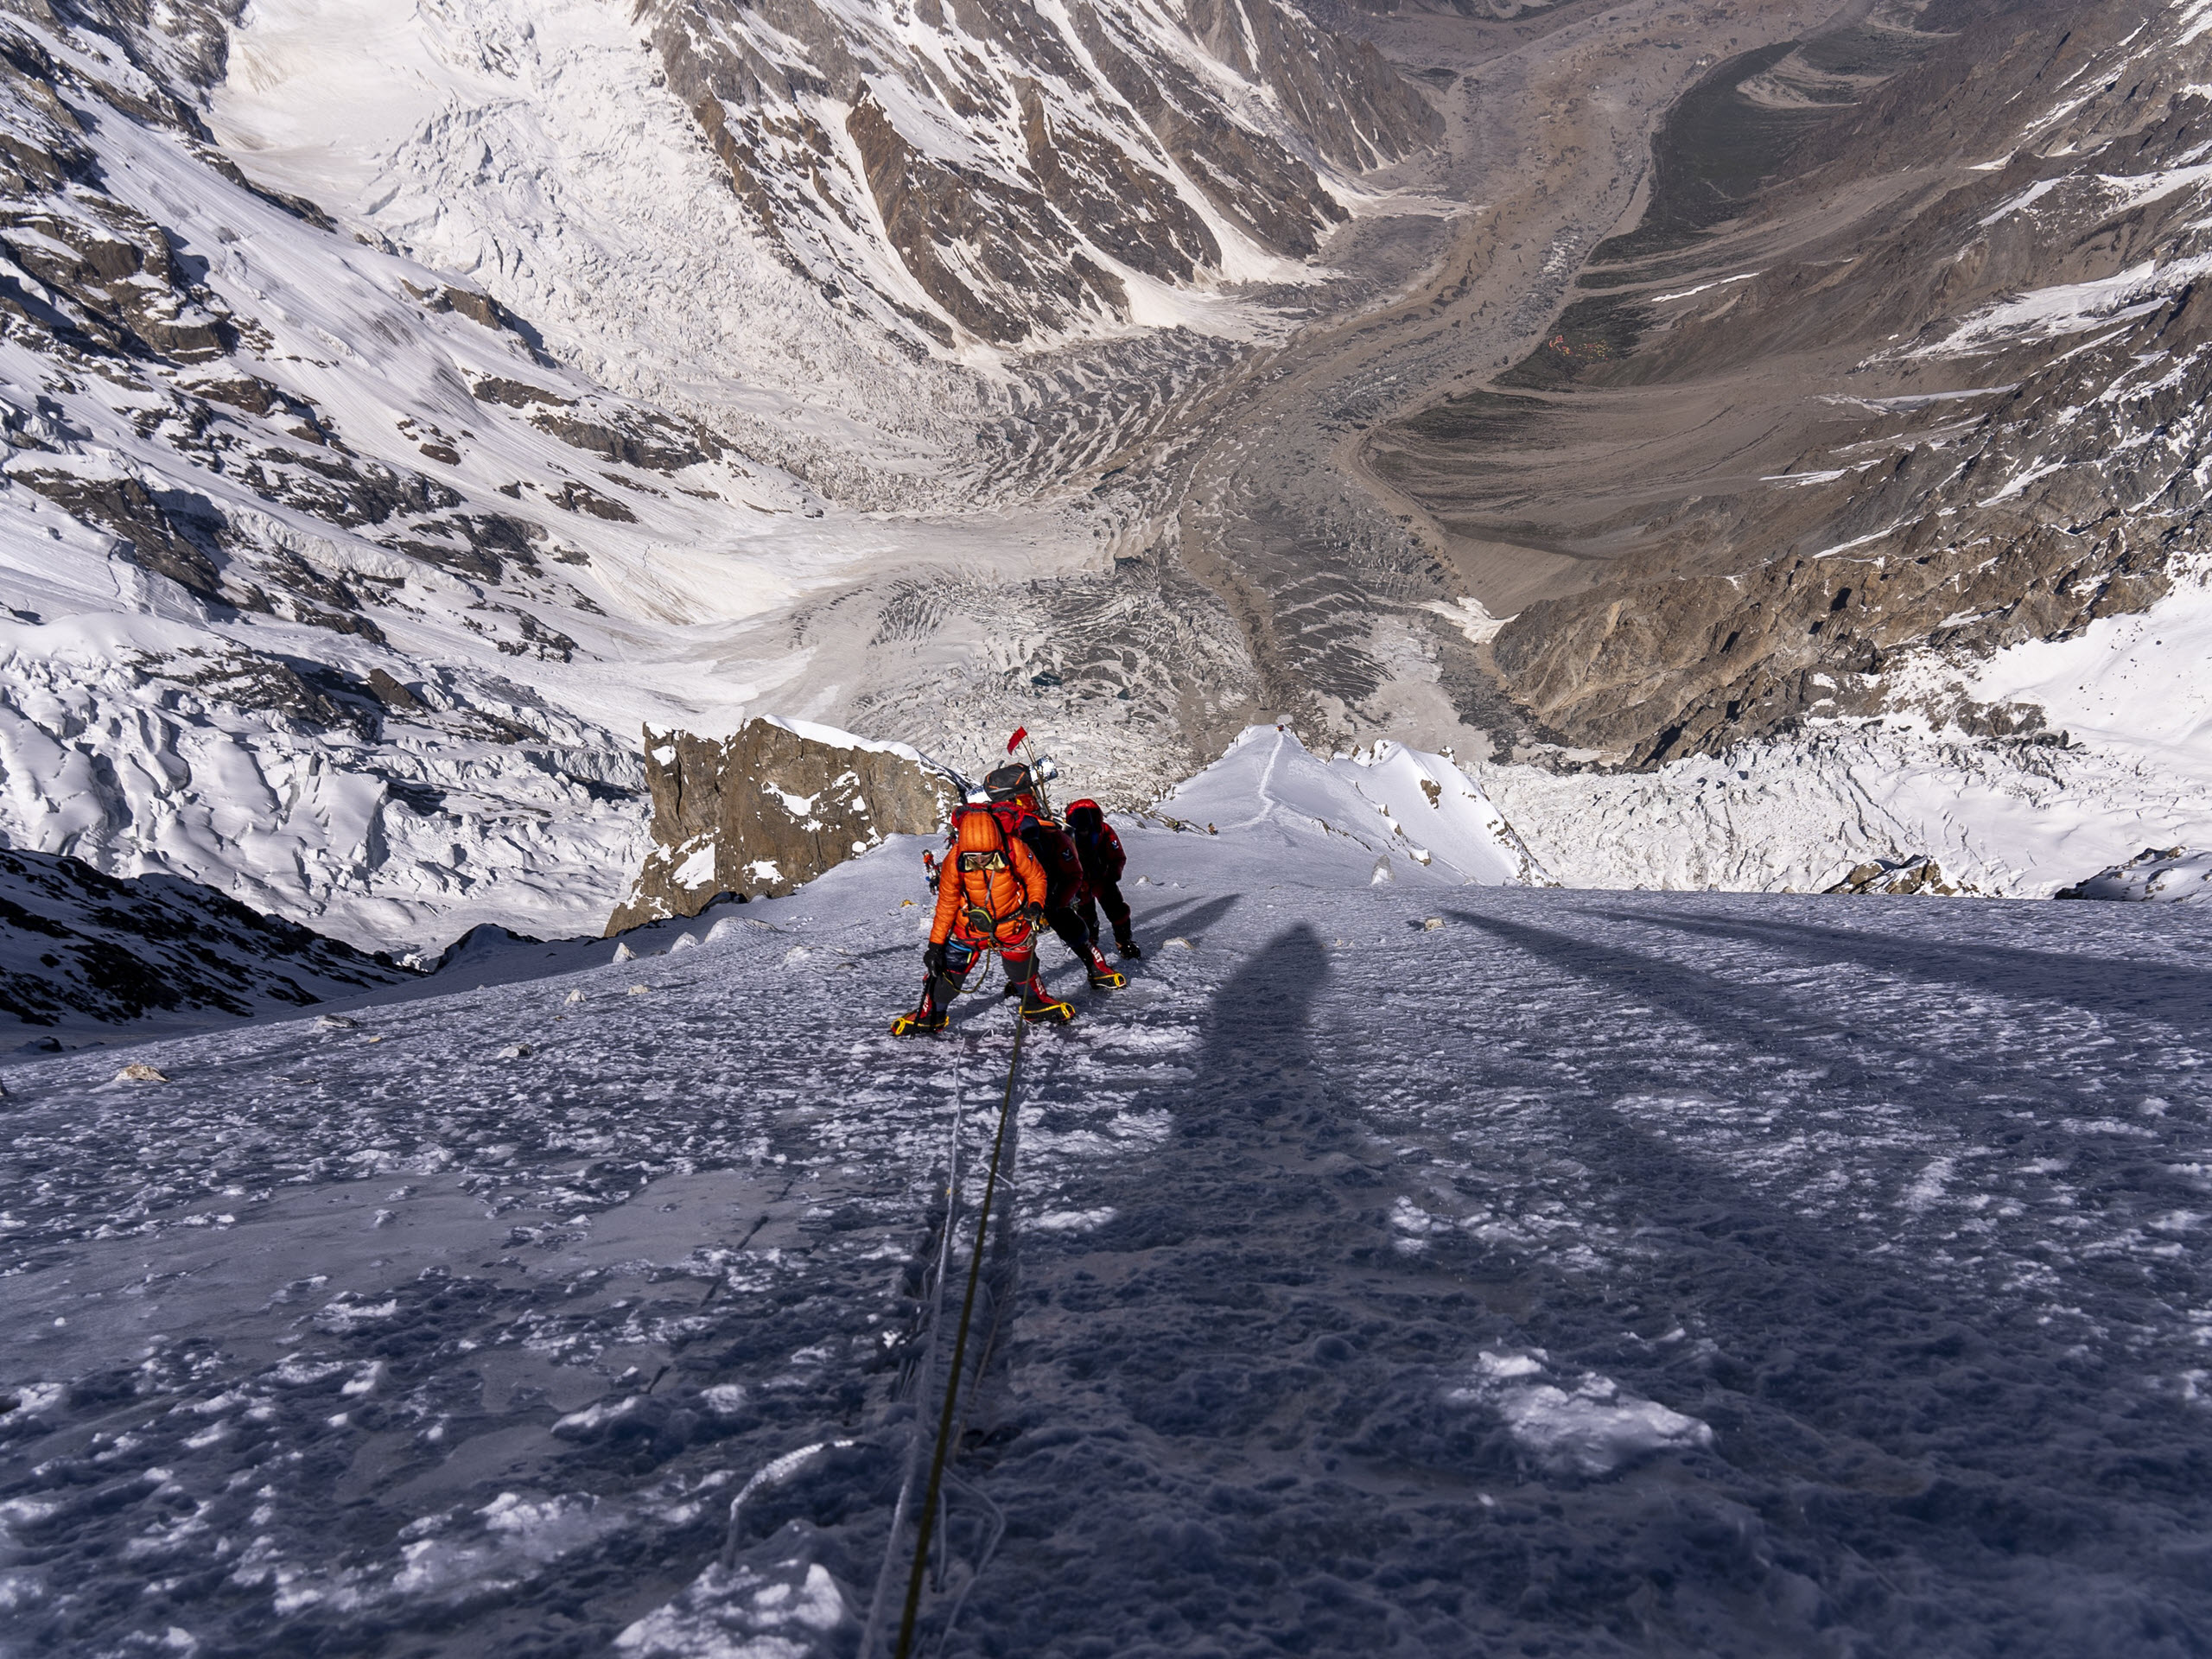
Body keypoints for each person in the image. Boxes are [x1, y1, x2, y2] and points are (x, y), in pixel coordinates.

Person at [892, 796, 1075, 1034]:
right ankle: (932, 1014)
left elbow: (1036, 878)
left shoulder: (1014, 848)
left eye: (986, 856)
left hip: (1012, 923)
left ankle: (1034, 1004)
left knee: (1022, 969)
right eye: (973, 857)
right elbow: (947, 904)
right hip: (968, 927)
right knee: (948, 972)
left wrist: (1035, 903)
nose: (979, 860)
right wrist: (935, 946)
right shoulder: (954, 859)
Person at [982, 764, 1125, 990]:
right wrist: (1060, 900)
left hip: (1011, 899)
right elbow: (1072, 871)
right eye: (1030, 793)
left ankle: (1023, 984)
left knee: (1018, 941)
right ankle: (1095, 970)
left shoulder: (991, 830)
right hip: (1047, 895)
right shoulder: (1046, 829)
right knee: (1068, 931)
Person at [1064, 798, 1138, 958]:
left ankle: (1124, 942)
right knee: (1085, 915)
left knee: (1117, 911)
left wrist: (1113, 875)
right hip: (1080, 882)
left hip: (1102, 877)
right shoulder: (1065, 835)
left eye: (1086, 830)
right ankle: (1090, 943)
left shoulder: (1104, 831)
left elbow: (1117, 856)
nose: (1083, 833)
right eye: (1080, 830)